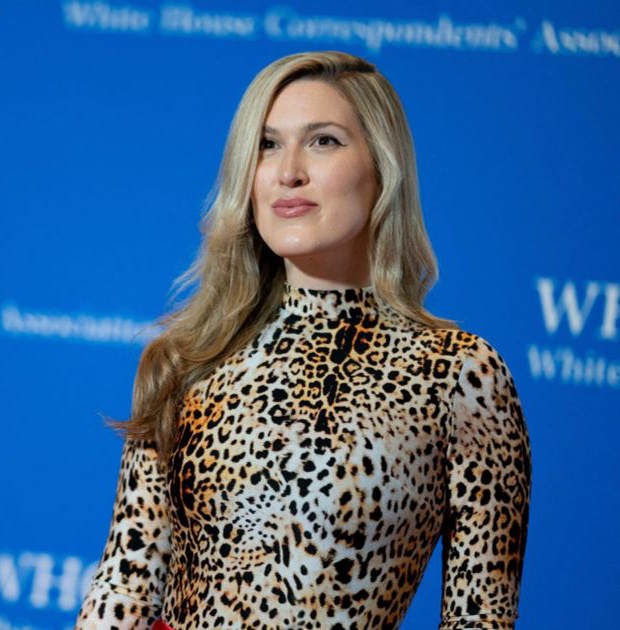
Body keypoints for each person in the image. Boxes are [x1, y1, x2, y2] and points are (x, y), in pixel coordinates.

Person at [75, 50, 531, 629]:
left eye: (323, 141)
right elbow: (126, 582)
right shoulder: (187, 359)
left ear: (383, 168)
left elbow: (480, 616)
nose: (288, 171)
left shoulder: (458, 374)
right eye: (267, 145)